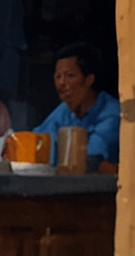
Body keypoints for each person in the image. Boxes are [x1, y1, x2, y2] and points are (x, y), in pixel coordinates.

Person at [33, 41, 120, 171]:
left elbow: (90, 160)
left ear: (89, 79)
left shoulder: (112, 113)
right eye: (58, 77)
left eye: (70, 76)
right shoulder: (63, 111)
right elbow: (37, 141)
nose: (62, 83)